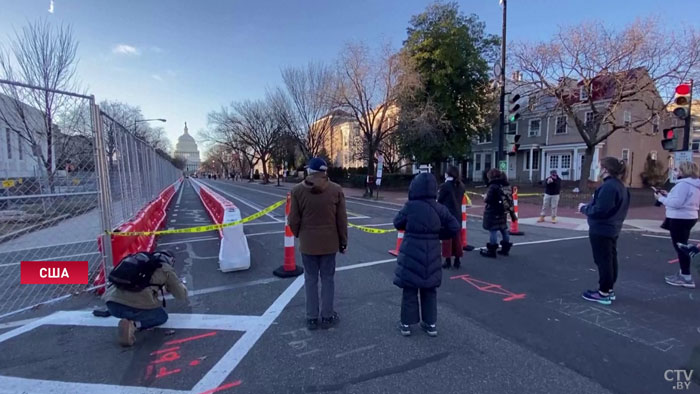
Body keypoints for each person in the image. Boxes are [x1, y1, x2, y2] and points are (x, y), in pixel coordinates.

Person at [393, 173, 459, 337]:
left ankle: (406, 324)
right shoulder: (439, 208)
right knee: (429, 289)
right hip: (432, 252)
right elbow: (454, 226)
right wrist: (439, 235)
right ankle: (430, 324)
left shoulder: (410, 206)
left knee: (410, 289)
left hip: (411, 251)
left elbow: (397, 223)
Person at [288, 157, 348, 331]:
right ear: (325, 171)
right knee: (328, 279)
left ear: (310, 171)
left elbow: (293, 219)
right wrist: (343, 242)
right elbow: (342, 220)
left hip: (308, 243)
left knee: (310, 279)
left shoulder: (297, 190)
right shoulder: (336, 190)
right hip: (330, 243)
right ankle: (327, 315)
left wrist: (300, 234)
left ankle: (312, 317)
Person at [103, 250, 188, 347]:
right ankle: (133, 325)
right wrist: (180, 285)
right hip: (132, 306)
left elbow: (144, 285)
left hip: (112, 305)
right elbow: (181, 295)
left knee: (132, 305)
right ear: (171, 260)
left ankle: (128, 319)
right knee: (161, 316)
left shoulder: (139, 261)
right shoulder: (165, 269)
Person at [578, 157, 630, 305]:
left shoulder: (609, 187)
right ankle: (608, 289)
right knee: (609, 259)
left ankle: (604, 292)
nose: (598, 169)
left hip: (602, 229)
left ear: (605, 169)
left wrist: (584, 209)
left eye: (599, 166)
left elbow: (601, 209)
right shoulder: (620, 186)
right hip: (612, 228)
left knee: (603, 260)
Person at [655, 161, 700, 289]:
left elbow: (676, 203)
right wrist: (668, 195)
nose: (676, 172)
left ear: (684, 171)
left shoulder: (683, 185)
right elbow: (682, 200)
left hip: (679, 217)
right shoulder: (695, 185)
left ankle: (686, 277)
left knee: (681, 247)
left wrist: (660, 198)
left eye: (678, 170)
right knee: (683, 245)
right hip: (690, 216)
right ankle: (683, 274)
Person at [438, 165, 466, 269]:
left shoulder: (445, 186)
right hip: (458, 214)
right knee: (457, 238)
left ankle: (448, 260)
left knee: (447, 239)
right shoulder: (461, 185)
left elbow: (440, 200)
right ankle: (457, 260)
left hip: (447, 214)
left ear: (448, 174)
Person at [480, 169, 512, 258]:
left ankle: (492, 250)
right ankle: (505, 249)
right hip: (503, 210)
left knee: (493, 230)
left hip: (493, 210)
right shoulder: (506, 185)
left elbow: (488, 199)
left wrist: (485, 197)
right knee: (503, 228)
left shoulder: (493, 186)